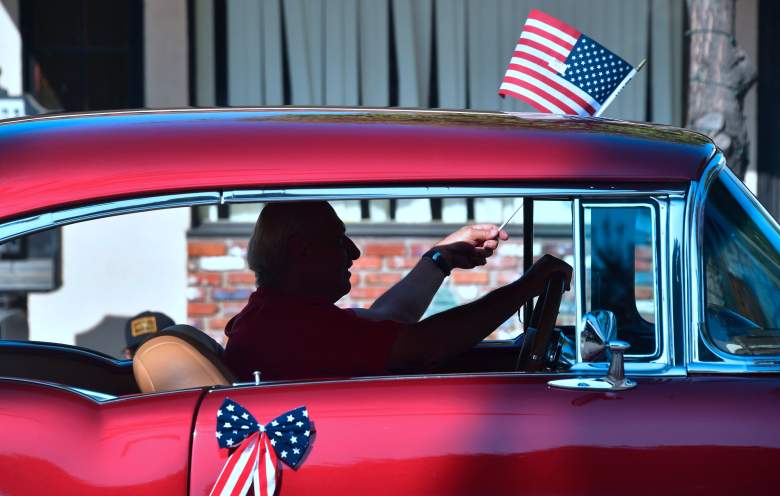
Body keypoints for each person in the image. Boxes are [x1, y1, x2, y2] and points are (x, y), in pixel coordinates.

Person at [223, 201, 572, 381]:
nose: (354, 252)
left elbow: (384, 320)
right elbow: (423, 349)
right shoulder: (290, 327)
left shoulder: (275, 315)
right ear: (302, 250)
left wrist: (439, 259)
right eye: (337, 239)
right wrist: (528, 286)